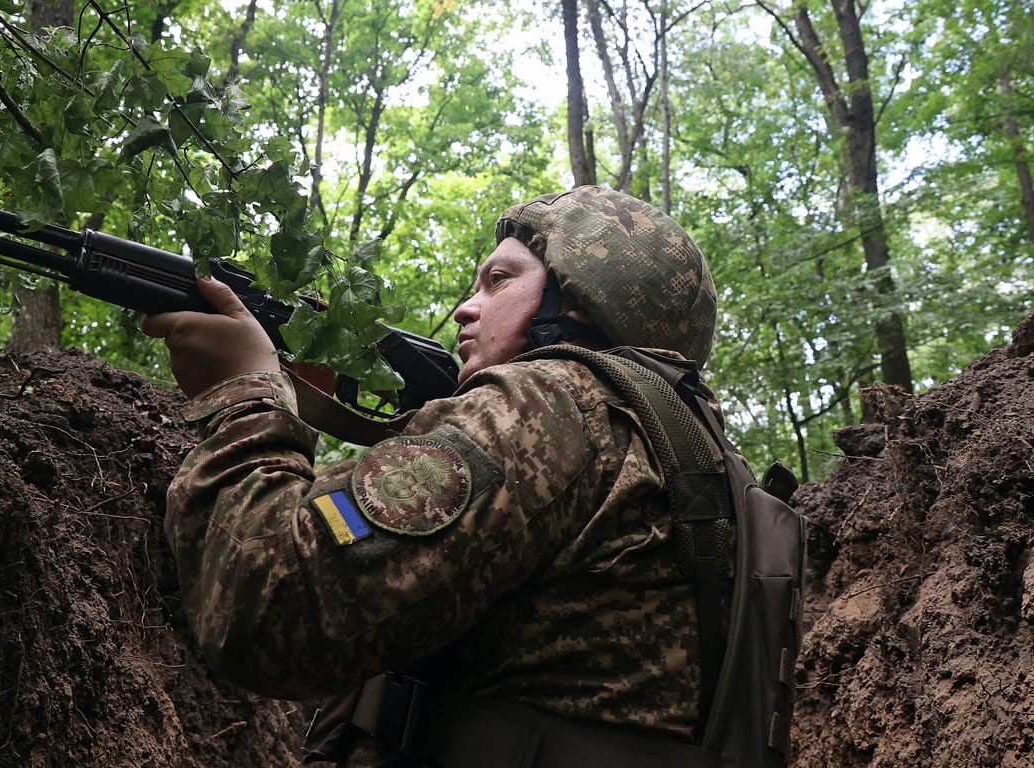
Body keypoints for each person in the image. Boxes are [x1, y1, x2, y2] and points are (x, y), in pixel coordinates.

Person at [142, 186, 726, 767]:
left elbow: (268, 600)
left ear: (574, 300)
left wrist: (241, 394)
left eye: (499, 280)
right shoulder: (682, 447)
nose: (464, 309)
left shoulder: (549, 402)